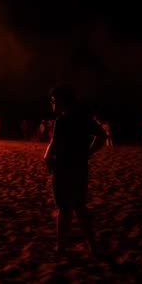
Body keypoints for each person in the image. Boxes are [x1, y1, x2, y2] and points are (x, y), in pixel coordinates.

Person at [43, 85, 106, 255]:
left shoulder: (61, 122)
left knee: (63, 208)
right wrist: (89, 151)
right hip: (80, 167)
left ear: (62, 102)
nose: (52, 104)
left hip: (63, 167)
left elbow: (53, 145)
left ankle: (61, 246)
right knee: (79, 206)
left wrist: (47, 158)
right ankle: (92, 245)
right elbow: (102, 136)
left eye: (54, 101)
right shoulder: (84, 118)